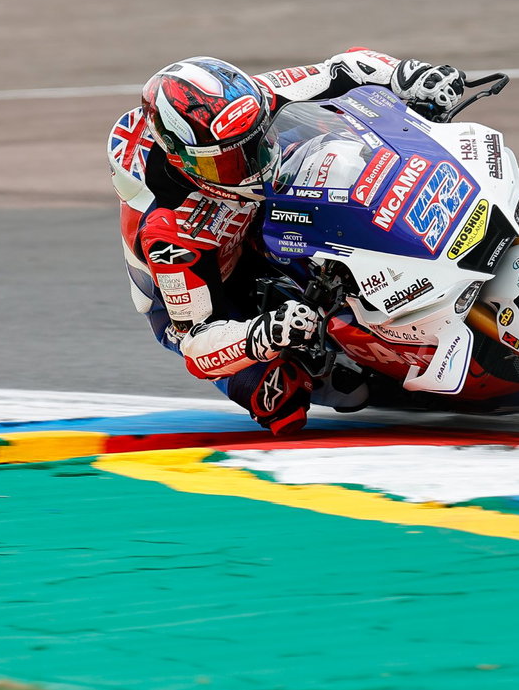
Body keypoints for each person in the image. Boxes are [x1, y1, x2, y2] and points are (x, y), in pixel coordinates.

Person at [107, 49, 467, 434]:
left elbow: (344, 68)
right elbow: (195, 343)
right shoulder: (168, 232)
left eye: (254, 142)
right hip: (214, 287)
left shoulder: (252, 102)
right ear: (186, 160)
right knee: (283, 405)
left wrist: (407, 75)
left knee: (344, 155)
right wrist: (264, 333)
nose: (249, 165)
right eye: (227, 162)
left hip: (263, 218)